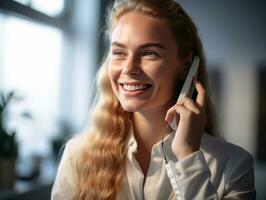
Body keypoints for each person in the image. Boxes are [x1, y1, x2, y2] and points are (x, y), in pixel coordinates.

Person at [51, 0, 256, 199]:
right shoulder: (77, 155)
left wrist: (187, 157)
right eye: (119, 53)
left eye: (149, 53)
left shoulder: (234, 165)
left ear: (185, 66)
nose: (129, 68)